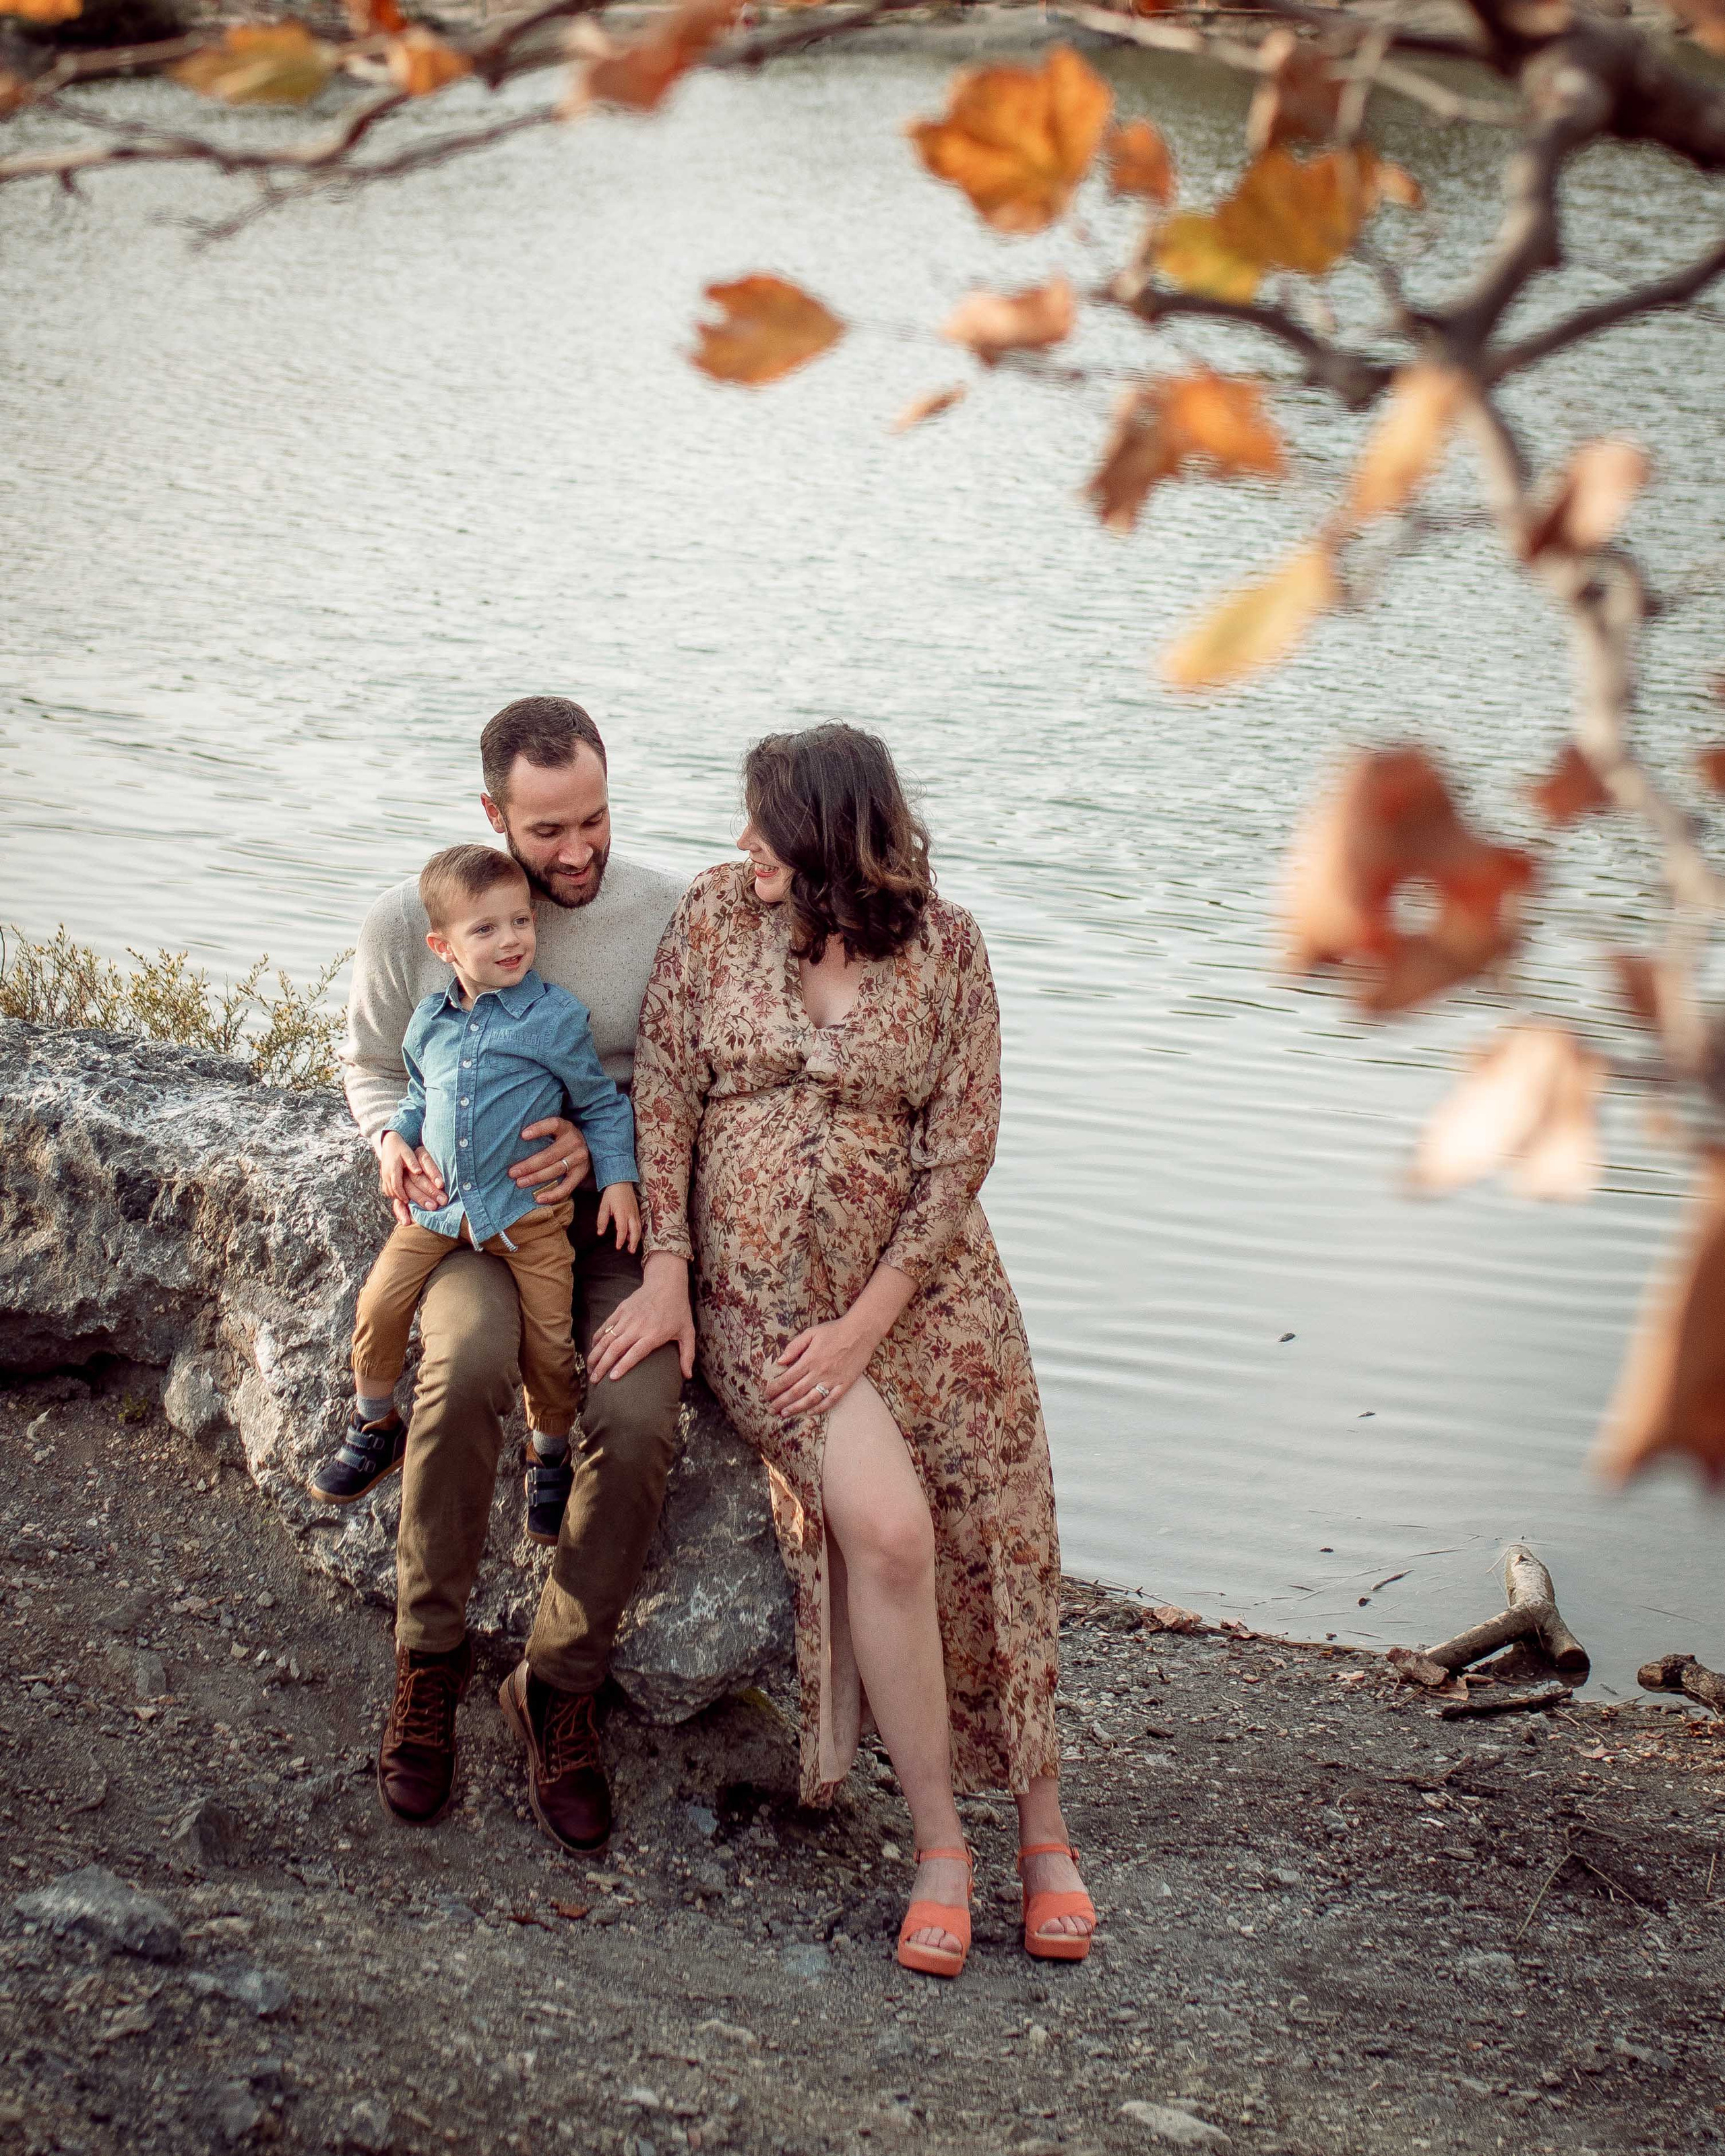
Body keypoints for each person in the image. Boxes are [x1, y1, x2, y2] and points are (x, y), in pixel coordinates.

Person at [592, 723, 1096, 1976]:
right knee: (890, 1530)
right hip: (767, 1298)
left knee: (999, 1521)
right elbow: (662, 1090)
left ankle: (1042, 1826)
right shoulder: (715, 919)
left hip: (926, 1290)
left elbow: (961, 1150)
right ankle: (940, 1845)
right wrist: (670, 1270)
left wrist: (875, 1314)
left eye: (764, 824)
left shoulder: (950, 947)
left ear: (824, 836)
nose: (741, 844)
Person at [340, 697, 683, 1851]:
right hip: (475, 1218)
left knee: (637, 1413)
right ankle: (427, 1663)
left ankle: (557, 1687)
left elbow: (694, 1080)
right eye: (547, 833)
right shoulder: (418, 918)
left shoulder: (662, 911)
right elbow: (371, 1063)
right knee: (470, 1357)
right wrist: (391, 1140)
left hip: (613, 1222)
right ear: (493, 815)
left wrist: (610, 1138)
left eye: (594, 818)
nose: (578, 852)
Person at [311, 842, 641, 1558]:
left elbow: (600, 1105)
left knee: (549, 1344)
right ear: (442, 946)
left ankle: (547, 1456)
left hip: (529, 1217)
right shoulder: (429, 1021)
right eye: (486, 930)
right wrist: (394, 1142)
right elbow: (420, 1096)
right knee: (379, 1305)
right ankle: (374, 1423)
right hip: (439, 1210)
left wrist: (616, 1178)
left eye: (521, 921)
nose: (512, 939)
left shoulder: (553, 1019)